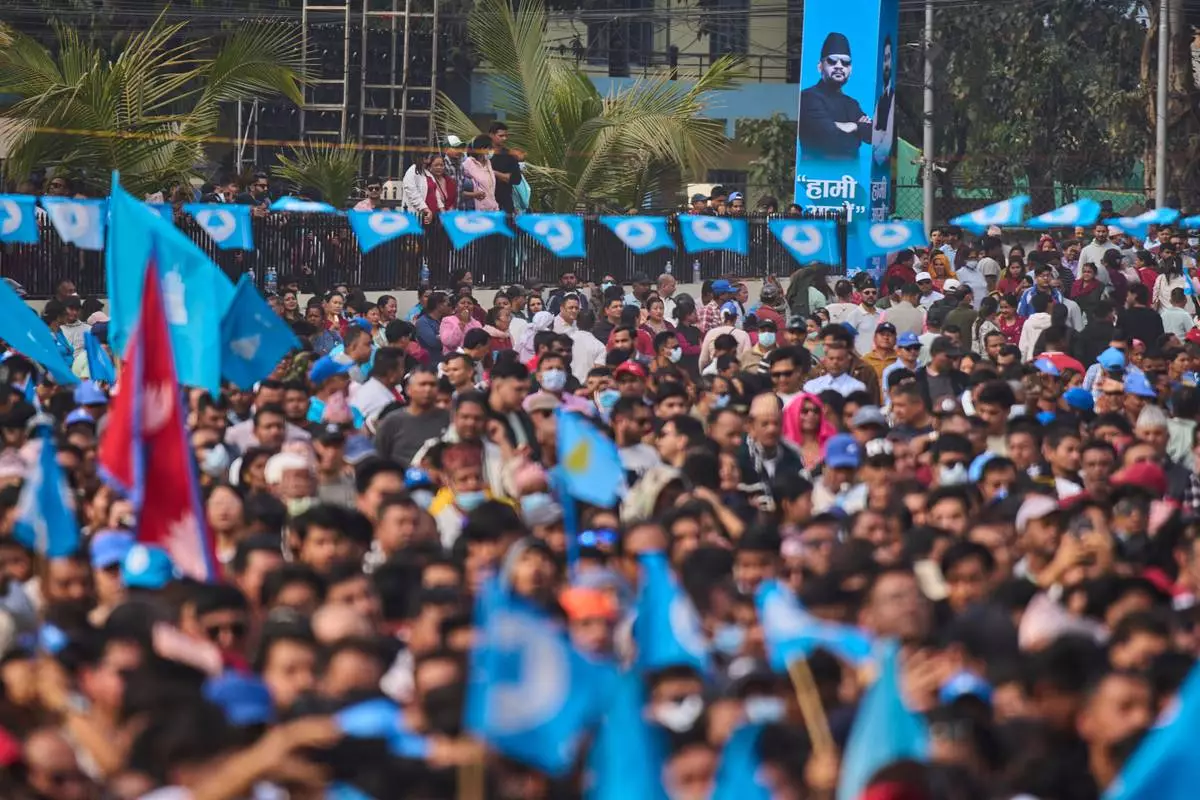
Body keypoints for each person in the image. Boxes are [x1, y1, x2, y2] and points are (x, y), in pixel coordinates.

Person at [797, 32, 871, 159]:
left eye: (845, 62)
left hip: (851, 172)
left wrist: (852, 126)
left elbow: (873, 134)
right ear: (820, 67)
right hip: (817, 170)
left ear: (850, 69)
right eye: (832, 61)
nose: (839, 66)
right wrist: (858, 128)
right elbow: (828, 135)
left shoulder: (852, 104)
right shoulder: (808, 97)